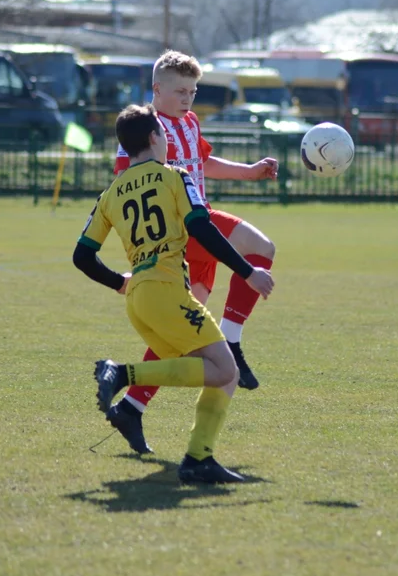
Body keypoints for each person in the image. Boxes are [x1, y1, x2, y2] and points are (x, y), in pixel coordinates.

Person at [73, 103, 275, 484]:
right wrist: (247, 272)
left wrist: (120, 282)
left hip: (139, 301)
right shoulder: (174, 177)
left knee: (220, 373)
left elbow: (82, 256)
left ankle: (194, 454)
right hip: (168, 293)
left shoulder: (110, 194)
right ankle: (124, 377)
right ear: (153, 138)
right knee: (225, 370)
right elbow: (201, 227)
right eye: (164, 136)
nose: (168, 142)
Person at [108, 50, 279, 455]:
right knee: (262, 248)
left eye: (193, 90)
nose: (188, 98)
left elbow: (204, 161)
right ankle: (233, 340)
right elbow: (127, 189)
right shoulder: (142, 131)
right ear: (157, 90)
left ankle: (131, 406)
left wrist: (249, 171)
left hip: (199, 225)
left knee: (179, 335)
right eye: (181, 91)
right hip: (183, 229)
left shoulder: (189, 122)